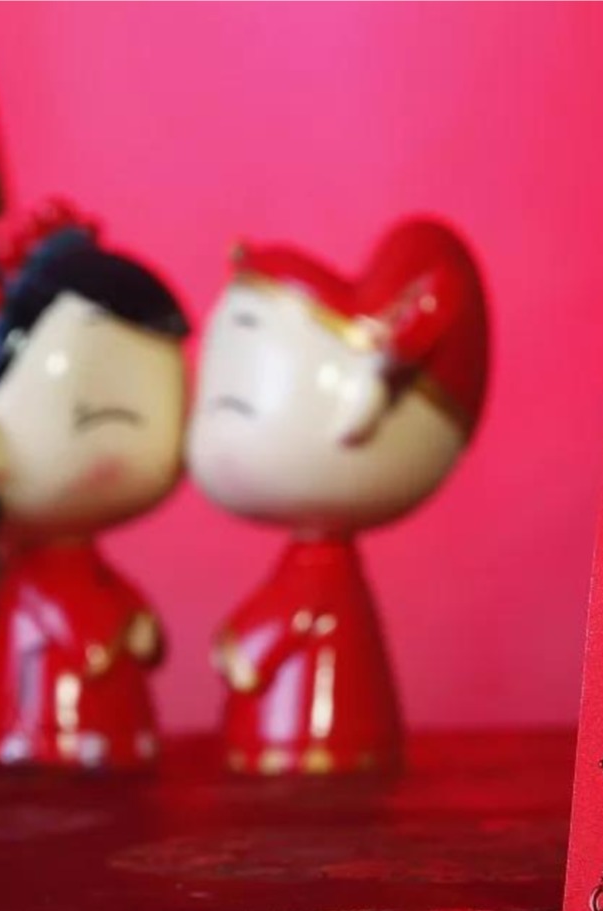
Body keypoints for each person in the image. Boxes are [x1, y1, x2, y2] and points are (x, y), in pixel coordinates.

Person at [0, 203, 189, 768]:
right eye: (99, 416)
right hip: (32, 740)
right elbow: (62, 617)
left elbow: (116, 613)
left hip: (118, 744)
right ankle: (29, 735)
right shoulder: (29, 582)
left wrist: (131, 619)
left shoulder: (87, 572)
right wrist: (104, 626)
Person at [187, 218, 488, 775]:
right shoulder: (315, 569)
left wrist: (239, 642)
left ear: (361, 403)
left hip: (303, 760)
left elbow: (283, 620)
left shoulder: (317, 574)